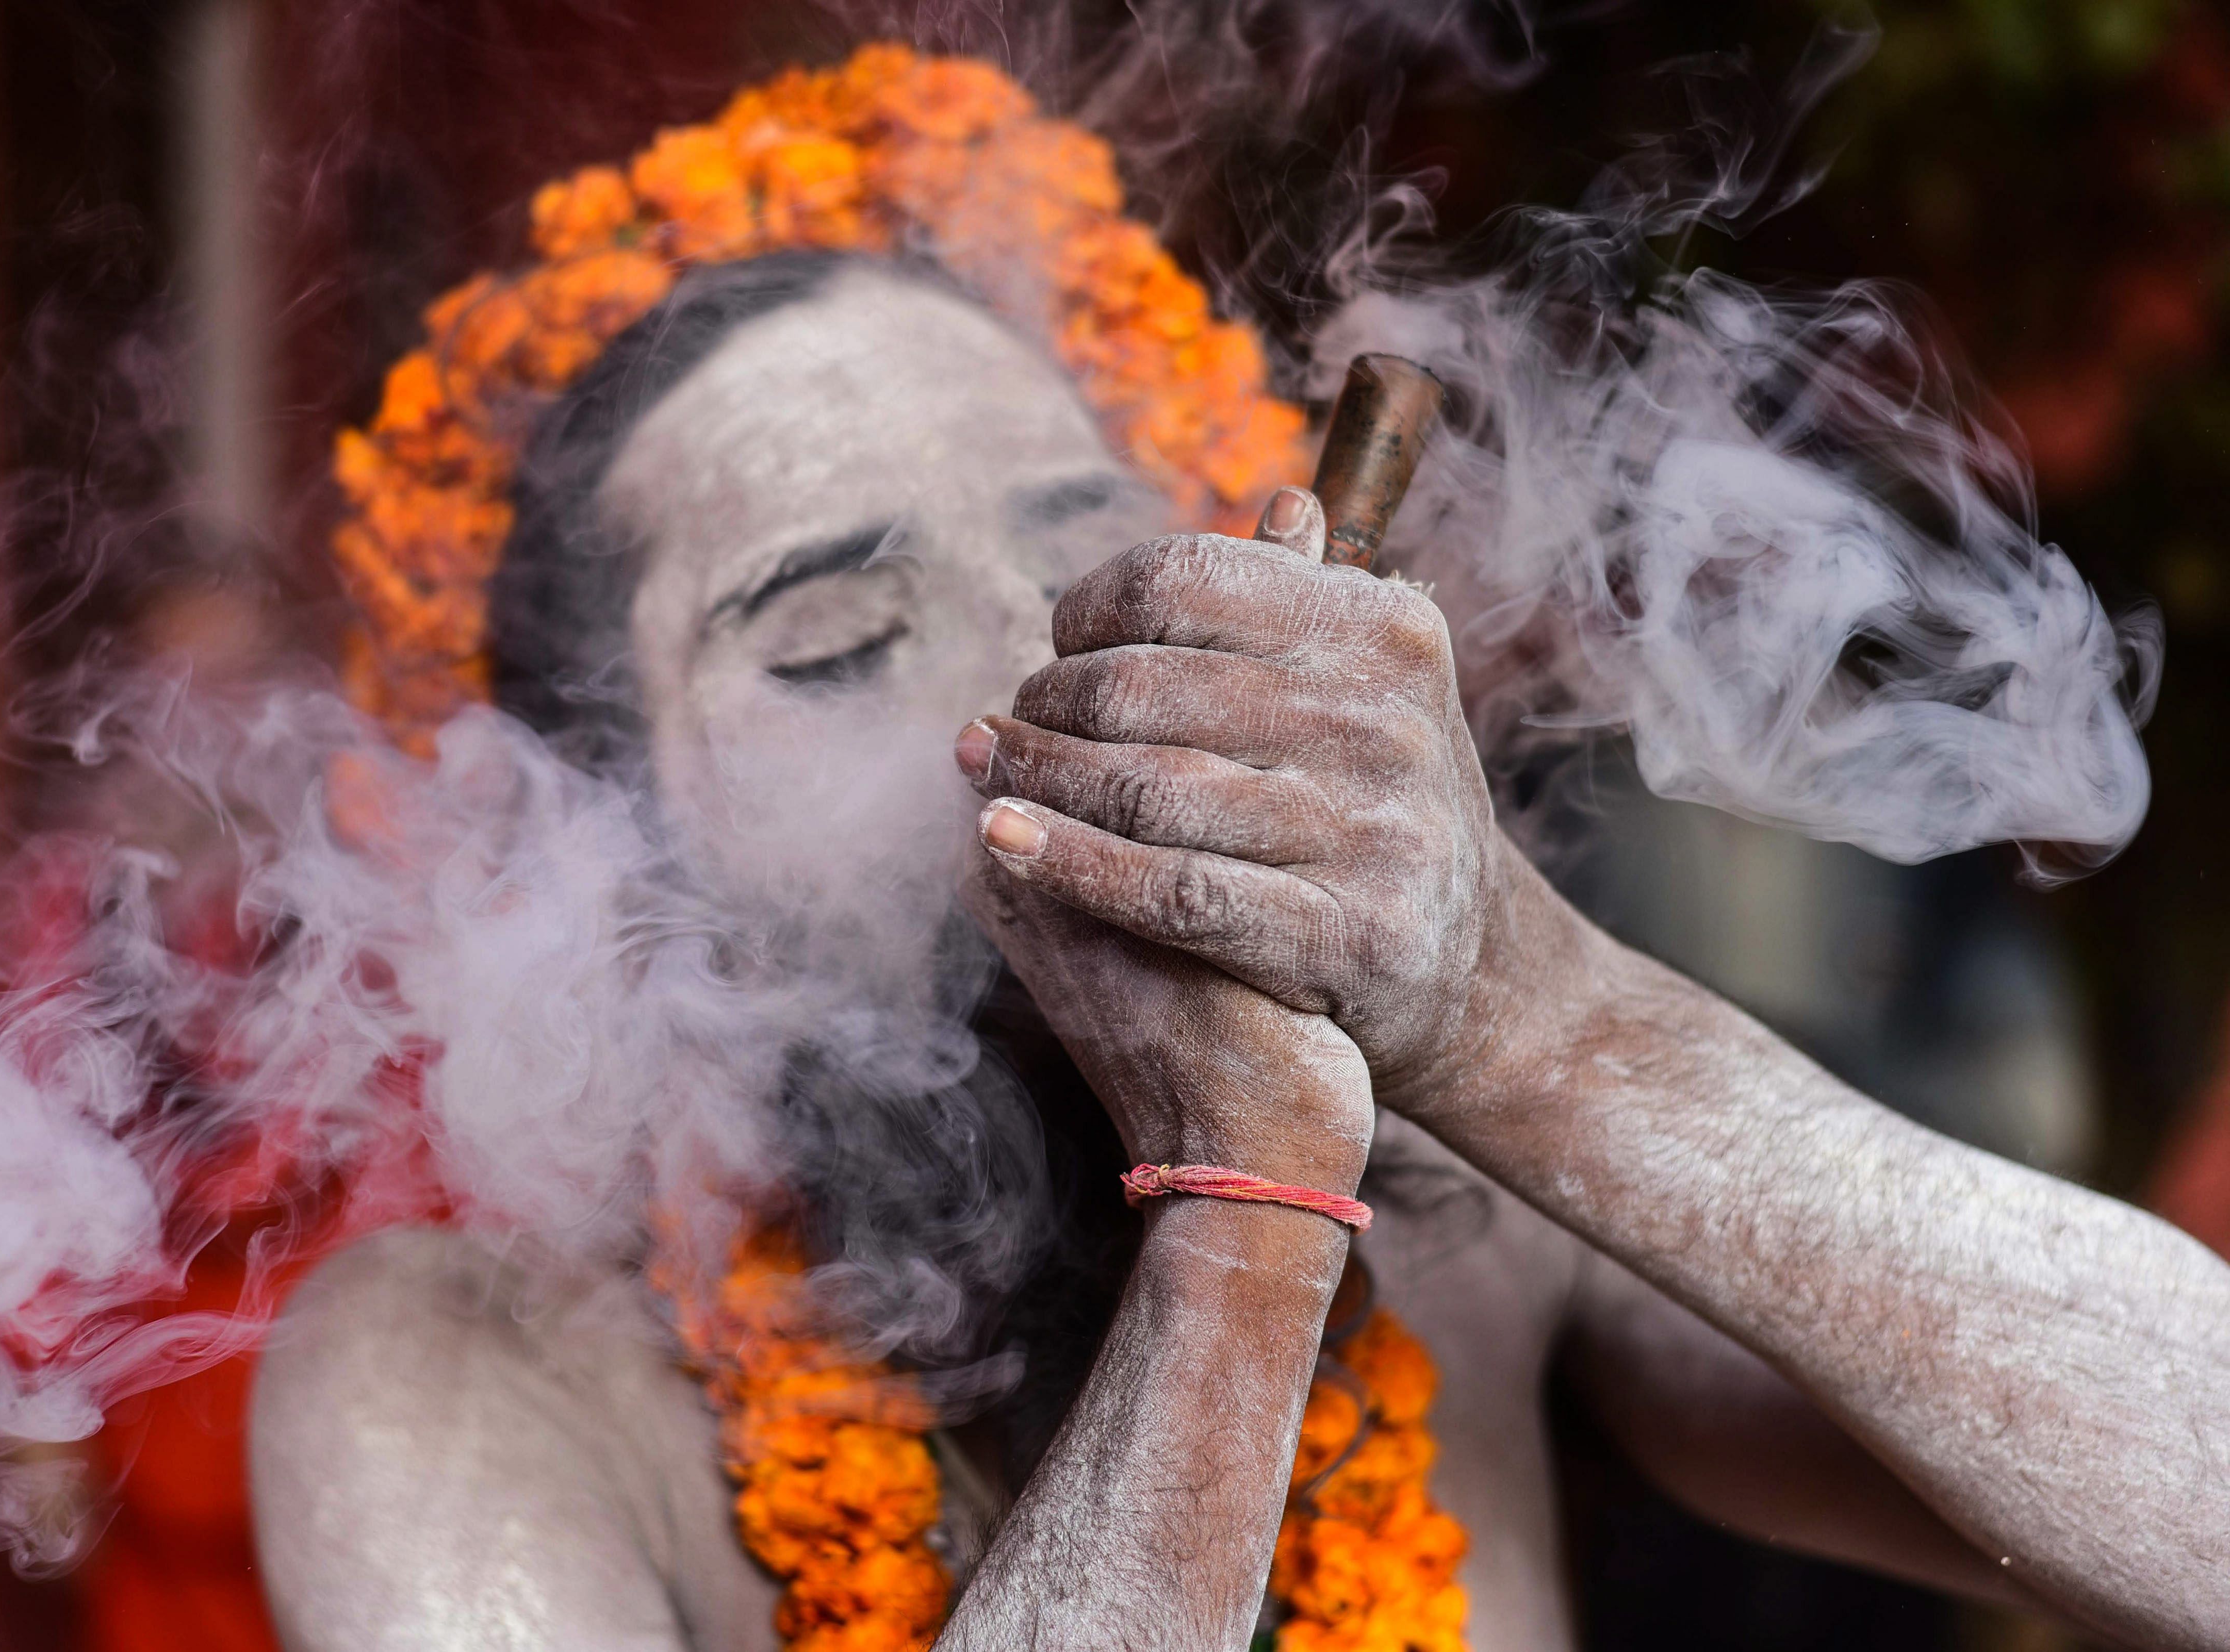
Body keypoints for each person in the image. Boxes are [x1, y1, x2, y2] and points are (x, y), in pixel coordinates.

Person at [247, 245, 2230, 1652]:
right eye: (837, 637)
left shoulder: (1471, 1235)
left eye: (1094, 537)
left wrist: (1517, 1011)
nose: (1051, 647)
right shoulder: (465, 1371)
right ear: (615, 841)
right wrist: (1241, 1227)